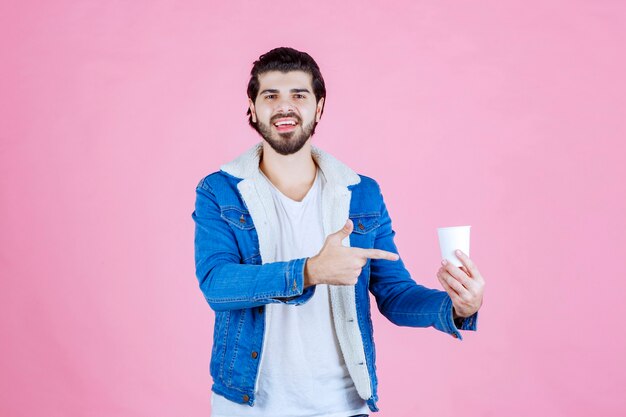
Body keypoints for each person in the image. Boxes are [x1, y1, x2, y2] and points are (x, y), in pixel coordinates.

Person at [192, 47, 485, 417]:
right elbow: (217, 285)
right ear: (252, 108)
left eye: (299, 95)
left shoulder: (361, 193)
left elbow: (394, 294)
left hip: (344, 406)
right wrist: (310, 271)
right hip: (248, 405)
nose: (285, 106)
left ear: (319, 107)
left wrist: (457, 307)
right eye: (270, 96)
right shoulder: (220, 190)